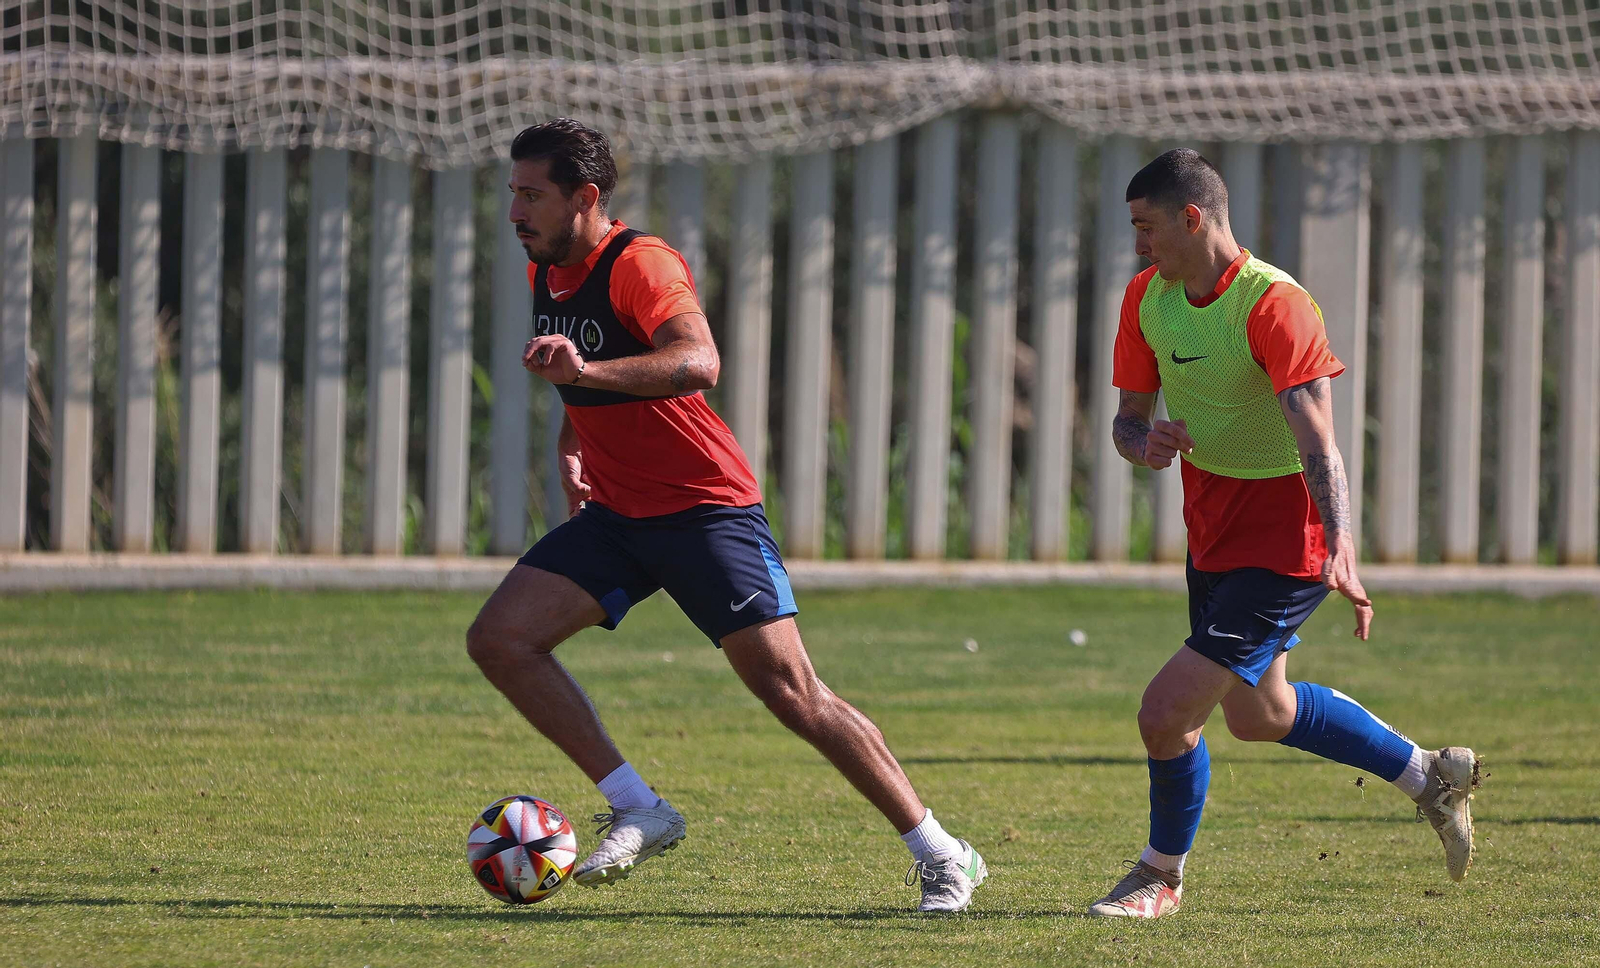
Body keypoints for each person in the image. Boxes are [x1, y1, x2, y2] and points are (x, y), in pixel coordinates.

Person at [465, 118, 986, 912]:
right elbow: (586, 376)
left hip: (705, 509)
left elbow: (696, 360)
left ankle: (942, 851)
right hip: (619, 515)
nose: (515, 211)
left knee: (793, 692)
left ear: (586, 197)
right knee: (501, 638)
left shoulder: (641, 262)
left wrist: (589, 374)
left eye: (532, 195)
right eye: (514, 194)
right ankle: (640, 805)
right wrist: (576, 436)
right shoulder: (548, 269)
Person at [1088, 148, 1481, 919]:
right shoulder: (1146, 299)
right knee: (1258, 713)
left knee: (1167, 712)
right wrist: (1147, 443)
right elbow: (1126, 423)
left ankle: (1159, 876)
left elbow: (1316, 439)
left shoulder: (1275, 304)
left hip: (1286, 540)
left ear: (1191, 219)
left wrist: (1339, 544)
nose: (1138, 244)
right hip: (1212, 530)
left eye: (1146, 226)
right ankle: (1427, 773)